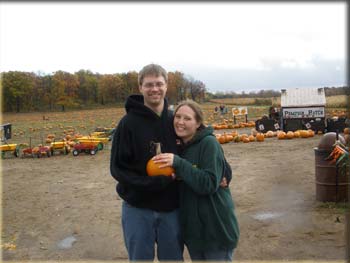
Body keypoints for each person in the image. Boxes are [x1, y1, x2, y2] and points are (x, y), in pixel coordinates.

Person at [109, 64, 183, 261]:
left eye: (159, 84)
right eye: (149, 84)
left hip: (171, 208)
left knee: (173, 259)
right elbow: (117, 169)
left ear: (167, 86)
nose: (154, 89)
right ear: (140, 87)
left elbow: (202, 144)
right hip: (137, 208)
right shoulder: (127, 124)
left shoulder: (175, 121)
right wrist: (152, 183)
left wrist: (224, 171)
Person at [152, 100, 240, 261]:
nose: (180, 122)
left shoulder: (209, 143)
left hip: (215, 231)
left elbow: (208, 184)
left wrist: (179, 163)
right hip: (195, 235)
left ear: (198, 122)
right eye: (177, 116)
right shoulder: (179, 147)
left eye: (187, 118)